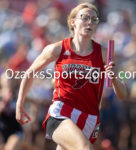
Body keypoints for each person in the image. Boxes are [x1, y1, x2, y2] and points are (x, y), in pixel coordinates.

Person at [16, 2, 127, 150]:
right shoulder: (57, 49)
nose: (90, 22)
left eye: (94, 19)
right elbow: (30, 73)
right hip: (61, 112)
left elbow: (122, 94)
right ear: (73, 22)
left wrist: (113, 78)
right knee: (85, 148)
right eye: (85, 18)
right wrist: (20, 104)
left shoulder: (104, 54)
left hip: (89, 118)